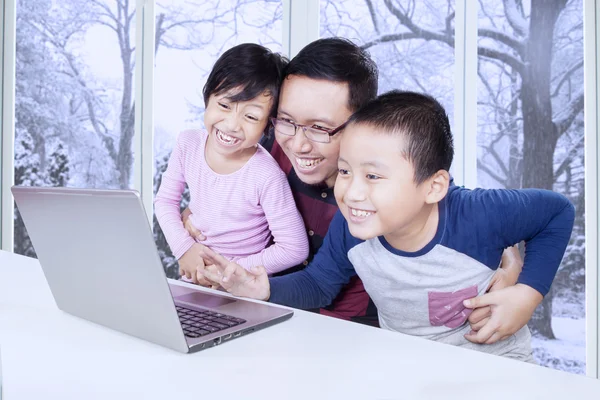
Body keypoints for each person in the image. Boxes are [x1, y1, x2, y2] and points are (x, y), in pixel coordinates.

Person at [199, 90, 575, 361]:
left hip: (496, 368)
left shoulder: (476, 213)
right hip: (406, 367)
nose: (352, 192)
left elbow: (556, 212)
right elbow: (319, 284)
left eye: (373, 176)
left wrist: (527, 295)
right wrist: (262, 288)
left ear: (433, 186)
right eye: (345, 171)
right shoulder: (352, 226)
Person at [185, 37, 524, 333]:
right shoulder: (270, 147)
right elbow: (217, 177)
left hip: (358, 333)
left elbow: (451, 207)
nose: (299, 144)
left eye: (320, 127)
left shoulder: (389, 180)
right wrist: (199, 213)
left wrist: (511, 265)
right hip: (266, 313)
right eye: (287, 120)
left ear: (363, 124)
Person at [155, 43, 309, 284]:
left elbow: (295, 248)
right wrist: (184, 249)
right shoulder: (188, 144)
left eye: (250, 116)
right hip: (194, 280)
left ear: (268, 125)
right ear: (208, 98)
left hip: (242, 291)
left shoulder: (266, 175)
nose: (231, 125)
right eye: (224, 105)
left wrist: (227, 270)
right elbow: (164, 201)